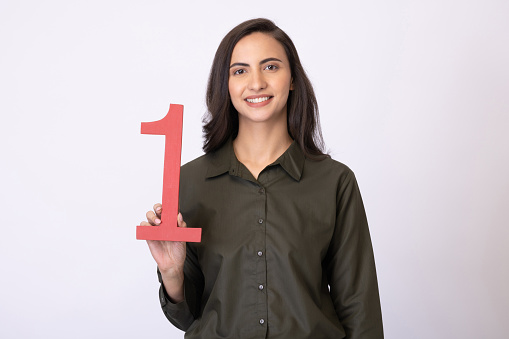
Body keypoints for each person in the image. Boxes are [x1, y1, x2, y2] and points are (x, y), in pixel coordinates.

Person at [140, 18, 383, 339]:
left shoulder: (335, 182)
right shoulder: (190, 180)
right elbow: (188, 317)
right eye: (240, 70)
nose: (256, 82)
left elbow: (359, 309)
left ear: (293, 78)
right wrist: (171, 273)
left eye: (270, 66)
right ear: (224, 84)